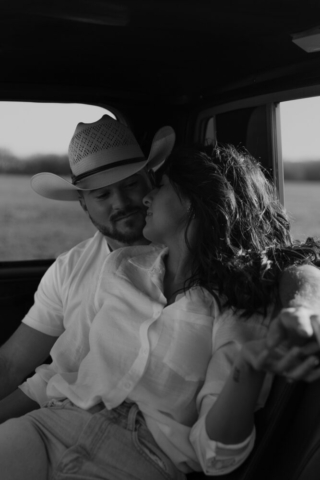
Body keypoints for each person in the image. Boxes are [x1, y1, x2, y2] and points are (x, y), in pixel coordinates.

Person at [0, 144, 319, 479]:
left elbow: (215, 457)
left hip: (142, 458)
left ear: (199, 198)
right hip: (52, 424)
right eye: (102, 194)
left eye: (151, 185)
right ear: (84, 204)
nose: (140, 200)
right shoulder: (119, 268)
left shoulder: (238, 302)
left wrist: (250, 365)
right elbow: (64, 368)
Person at [0, 114, 176, 421]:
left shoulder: (184, 255)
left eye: (131, 184)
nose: (121, 203)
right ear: (83, 203)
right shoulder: (69, 268)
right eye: (102, 195)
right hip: (56, 405)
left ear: (152, 178)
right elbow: (11, 364)